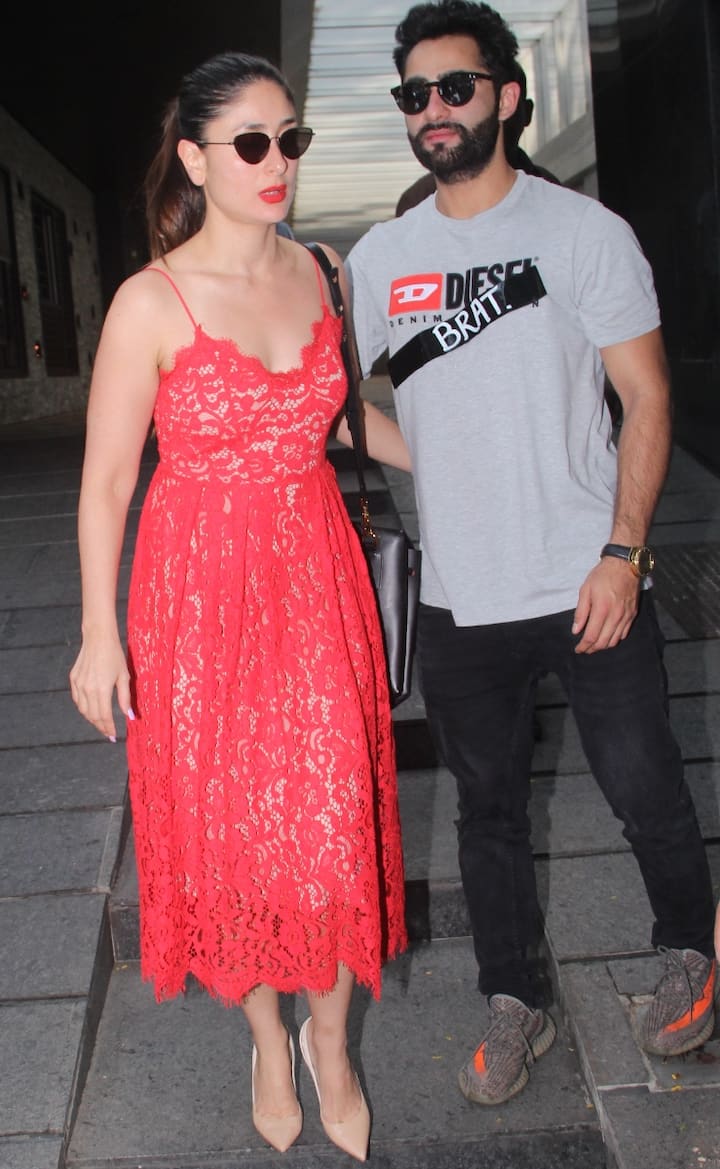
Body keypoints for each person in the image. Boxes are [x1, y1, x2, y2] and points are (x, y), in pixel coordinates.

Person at [346, 0, 717, 1108]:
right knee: (487, 811)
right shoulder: (384, 259)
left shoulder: (581, 234)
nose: (432, 113)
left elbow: (647, 397)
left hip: (585, 575)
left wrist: (623, 549)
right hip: (462, 597)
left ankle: (689, 955)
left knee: (646, 785)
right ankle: (515, 1001)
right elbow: (328, 403)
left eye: (453, 89)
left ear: (506, 96)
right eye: (413, 96)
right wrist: (429, 464)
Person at [69, 50, 411, 1162]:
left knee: (327, 826)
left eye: (291, 139)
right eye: (251, 144)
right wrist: (95, 633)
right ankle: (267, 1036)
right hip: (198, 597)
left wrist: (461, 474)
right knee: (230, 846)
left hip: (315, 578)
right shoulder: (150, 299)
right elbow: (110, 481)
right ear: (194, 159)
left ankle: (332, 1034)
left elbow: (345, 417)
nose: (278, 163)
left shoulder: (323, 271)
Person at [395, 58, 559, 215]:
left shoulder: (552, 193)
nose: (498, 120)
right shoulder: (418, 200)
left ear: (525, 111)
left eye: (506, 104)